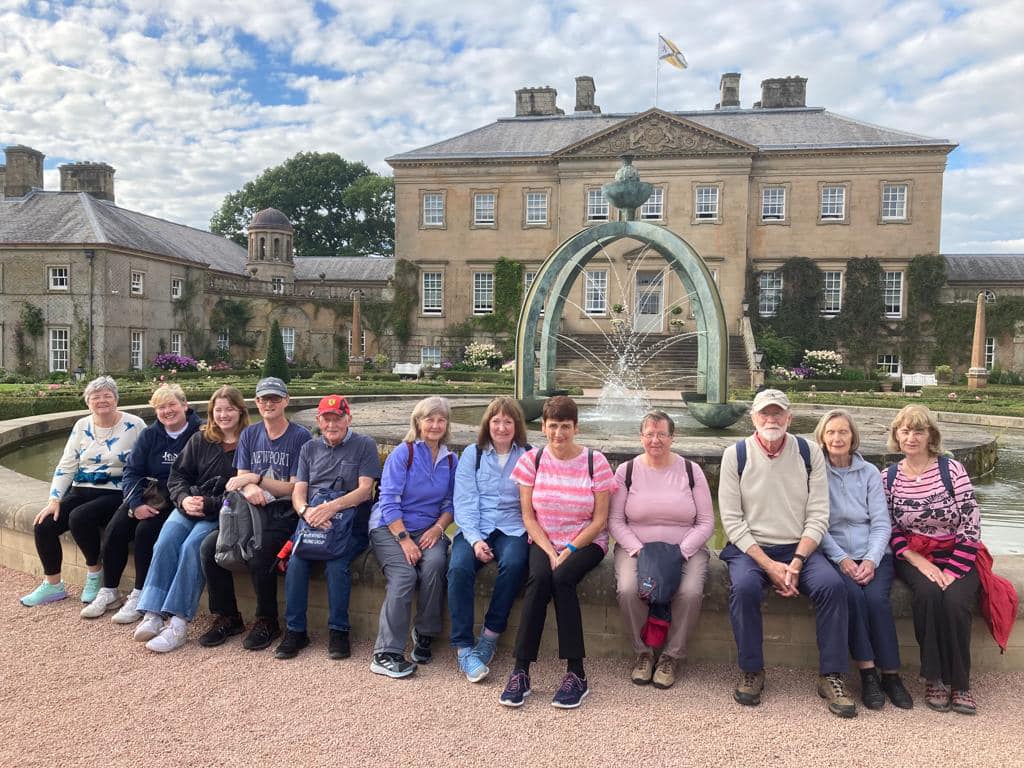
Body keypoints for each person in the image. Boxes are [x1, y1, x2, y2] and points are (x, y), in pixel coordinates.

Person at [718, 389, 856, 718]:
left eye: (778, 413)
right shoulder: (735, 454)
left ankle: (832, 675)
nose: (771, 419)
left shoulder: (809, 452)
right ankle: (753, 670)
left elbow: (819, 515)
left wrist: (795, 562)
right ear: (753, 418)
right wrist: (768, 565)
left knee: (832, 587)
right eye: (764, 413)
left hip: (800, 548)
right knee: (745, 589)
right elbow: (732, 521)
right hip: (750, 550)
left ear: (789, 418)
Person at [499, 395, 614, 710]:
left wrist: (571, 548)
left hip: (587, 542)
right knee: (538, 578)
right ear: (543, 427)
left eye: (565, 426)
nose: (559, 433)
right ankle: (521, 671)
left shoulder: (596, 462)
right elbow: (528, 517)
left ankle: (576, 673)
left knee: (562, 578)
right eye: (553, 426)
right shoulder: (531, 461)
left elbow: (600, 519)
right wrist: (550, 550)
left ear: (576, 428)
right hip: (543, 539)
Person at [198, 377, 312, 651]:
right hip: (249, 509)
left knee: (260, 553)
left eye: (275, 398)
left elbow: (293, 487)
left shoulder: (301, 437)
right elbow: (240, 480)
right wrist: (249, 486)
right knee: (209, 548)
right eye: (263, 399)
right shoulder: (250, 434)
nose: (269, 404)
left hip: (284, 511)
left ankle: (267, 620)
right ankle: (228, 615)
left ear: (286, 401)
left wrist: (255, 479)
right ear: (256, 403)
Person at [133, 386, 249, 652]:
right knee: (165, 542)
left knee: (191, 548)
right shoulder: (200, 439)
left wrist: (209, 503)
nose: (223, 415)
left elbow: (242, 492)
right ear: (211, 412)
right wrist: (184, 498)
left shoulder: (250, 442)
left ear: (240, 411)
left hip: (220, 513)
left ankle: (178, 621)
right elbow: (177, 476)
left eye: (229, 409)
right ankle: (152, 611)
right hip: (188, 506)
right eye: (218, 410)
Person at [882, 404, 981, 715]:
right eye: (905, 431)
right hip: (914, 556)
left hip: (957, 554)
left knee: (954, 601)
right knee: (926, 594)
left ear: (930, 436)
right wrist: (919, 562)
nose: (911, 437)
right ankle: (934, 678)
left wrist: (952, 570)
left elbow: (971, 522)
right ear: (897, 436)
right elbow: (889, 527)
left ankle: (960, 684)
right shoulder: (889, 477)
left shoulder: (951, 470)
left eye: (918, 431)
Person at [814, 409, 913, 709]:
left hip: (874, 553)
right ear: (822, 437)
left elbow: (882, 523)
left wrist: (870, 560)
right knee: (853, 597)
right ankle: (868, 672)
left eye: (843, 432)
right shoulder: (815, 473)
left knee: (876, 600)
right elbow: (816, 522)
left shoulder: (869, 472)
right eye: (831, 432)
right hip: (837, 553)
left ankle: (891, 675)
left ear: (853, 436)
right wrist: (843, 559)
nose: (837, 438)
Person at [609, 410, 713, 690]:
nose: (656, 440)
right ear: (641, 437)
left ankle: (671, 656)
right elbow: (616, 521)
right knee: (629, 590)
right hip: (637, 549)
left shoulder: (691, 471)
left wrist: (680, 552)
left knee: (690, 592)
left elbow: (706, 523)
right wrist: (640, 552)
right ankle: (643, 653)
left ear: (672, 437)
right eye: (650, 434)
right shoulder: (626, 471)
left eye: (662, 434)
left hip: (685, 549)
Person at [83, 383, 202, 626]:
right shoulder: (150, 434)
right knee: (116, 529)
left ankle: (139, 593)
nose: (167, 411)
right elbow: (132, 471)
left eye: (172, 405)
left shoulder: (199, 433)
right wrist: (135, 504)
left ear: (185, 406)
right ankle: (110, 590)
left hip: (178, 497)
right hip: (149, 494)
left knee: (146, 532)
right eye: (161, 407)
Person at [21, 376, 145, 607]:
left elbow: (147, 458)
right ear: (88, 402)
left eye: (107, 395)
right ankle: (53, 584)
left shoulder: (135, 424)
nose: (102, 400)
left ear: (116, 400)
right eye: (96, 397)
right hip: (81, 489)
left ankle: (94, 572)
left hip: (116, 492)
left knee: (80, 517)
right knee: (44, 524)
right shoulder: (82, 425)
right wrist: (54, 499)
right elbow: (66, 464)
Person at [275, 395, 381, 661]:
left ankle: (338, 630)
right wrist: (307, 512)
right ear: (318, 420)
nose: (332, 424)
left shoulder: (364, 445)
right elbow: (299, 491)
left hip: (350, 524)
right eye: (326, 418)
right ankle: (296, 630)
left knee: (337, 564)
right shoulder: (309, 449)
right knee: (296, 563)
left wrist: (331, 509)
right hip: (313, 521)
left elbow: (365, 491)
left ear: (349, 419)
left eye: (338, 418)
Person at [368, 396, 456, 679]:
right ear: (417, 422)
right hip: (390, 527)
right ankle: (386, 653)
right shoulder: (402, 454)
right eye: (429, 419)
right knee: (405, 575)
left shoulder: (451, 460)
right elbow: (389, 501)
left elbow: (450, 503)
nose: (435, 424)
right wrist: (405, 539)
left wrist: (438, 529)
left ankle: (424, 633)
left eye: (441, 419)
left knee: (435, 565)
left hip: (430, 529)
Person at [448, 396, 530, 682]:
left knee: (516, 563)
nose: (502, 427)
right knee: (458, 568)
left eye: (508, 421)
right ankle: (463, 649)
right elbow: (465, 501)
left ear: (517, 425)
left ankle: (490, 636)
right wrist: (473, 540)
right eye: (496, 421)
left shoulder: (529, 455)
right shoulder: (474, 454)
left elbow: (532, 503)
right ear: (487, 423)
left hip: (512, 528)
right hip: (476, 527)